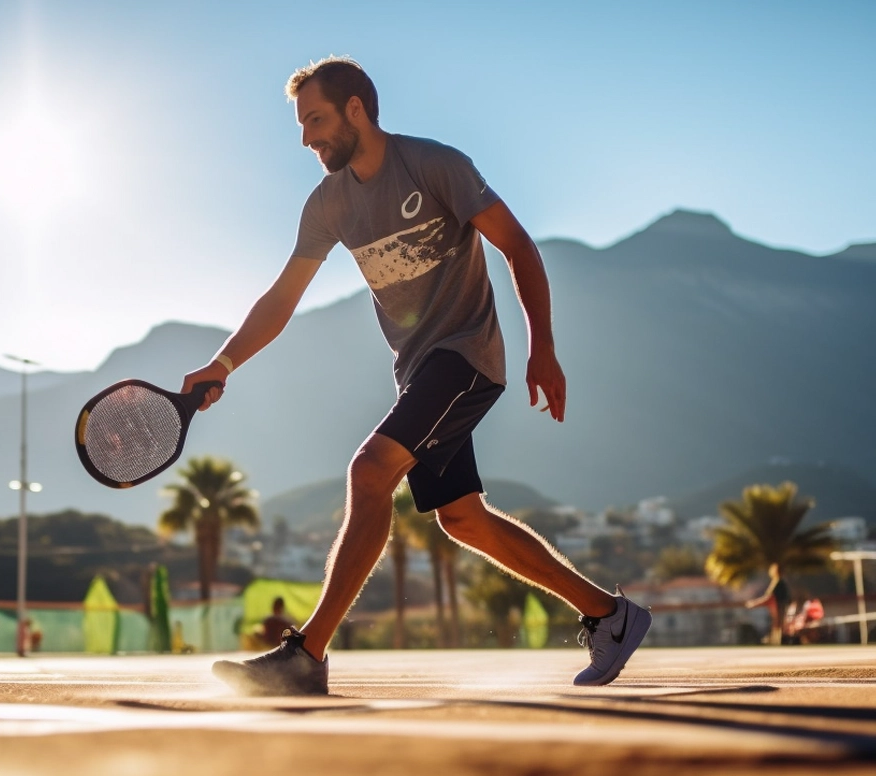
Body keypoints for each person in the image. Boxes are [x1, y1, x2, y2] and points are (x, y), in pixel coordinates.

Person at [183, 57, 651, 696]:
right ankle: (611, 615)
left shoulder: (436, 166)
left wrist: (543, 347)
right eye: (300, 124)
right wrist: (224, 363)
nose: (305, 138)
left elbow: (518, 246)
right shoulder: (328, 205)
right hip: (418, 371)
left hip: (467, 357)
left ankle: (306, 657)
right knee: (463, 519)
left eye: (315, 119)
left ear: (356, 109)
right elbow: (282, 297)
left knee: (370, 470)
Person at [745, 563, 790, 645]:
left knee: (778, 626)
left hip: (778, 608)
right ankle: (776, 641)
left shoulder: (778, 583)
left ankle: (777, 641)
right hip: (776, 608)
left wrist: (755, 603)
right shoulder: (778, 582)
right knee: (777, 625)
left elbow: (770, 597)